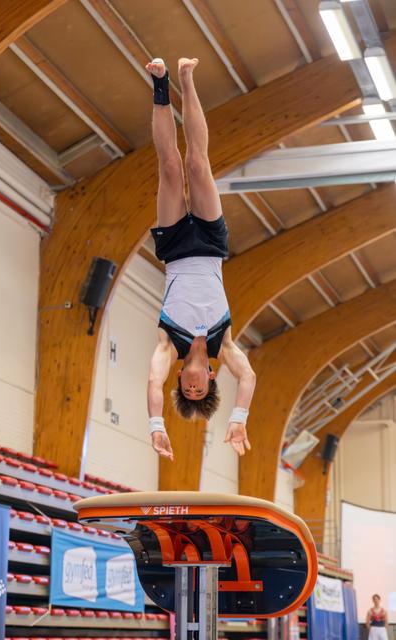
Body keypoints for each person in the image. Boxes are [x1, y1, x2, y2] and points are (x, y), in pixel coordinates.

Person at [145, 57, 256, 461]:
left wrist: (156, 426)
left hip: (174, 250)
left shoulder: (166, 345)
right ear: (210, 376)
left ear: (181, 377)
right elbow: (248, 376)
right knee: (198, 163)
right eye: (201, 390)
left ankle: (160, 86)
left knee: (171, 168)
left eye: (187, 390)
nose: (193, 388)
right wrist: (238, 417)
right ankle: (188, 78)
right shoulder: (222, 343)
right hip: (210, 246)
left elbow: (153, 386)